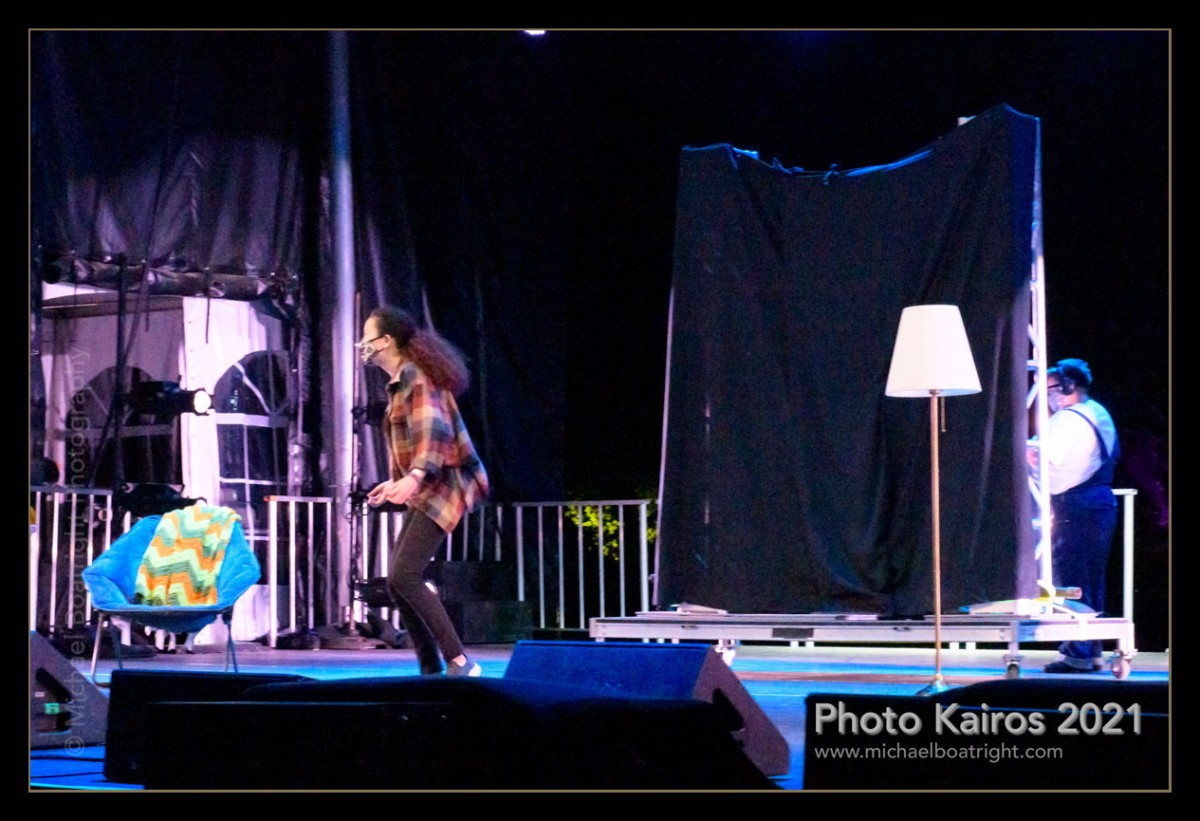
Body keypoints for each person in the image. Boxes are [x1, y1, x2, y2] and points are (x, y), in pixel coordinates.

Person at [360, 305, 490, 677]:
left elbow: (435, 432)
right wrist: (396, 482)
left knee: (405, 575)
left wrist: (415, 476)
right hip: (431, 483)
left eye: (368, 337)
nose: (363, 345)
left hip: (446, 484)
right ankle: (430, 670)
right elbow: (415, 440)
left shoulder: (415, 376)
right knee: (397, 582)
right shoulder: (400, 382)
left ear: (385, 341)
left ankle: (460, 662)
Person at [1027, 358, 1120, 673]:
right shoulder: (1099, 412)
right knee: (1091, 581)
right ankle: (1092, 651)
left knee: (1073, 582)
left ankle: (1078, 653)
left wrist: (1027, 454)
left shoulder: (1068, 419)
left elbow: (1044, 455)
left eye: (1050, 389)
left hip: (1076, 505)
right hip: (1099, 502)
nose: (1048, 397)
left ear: (1068, 387)